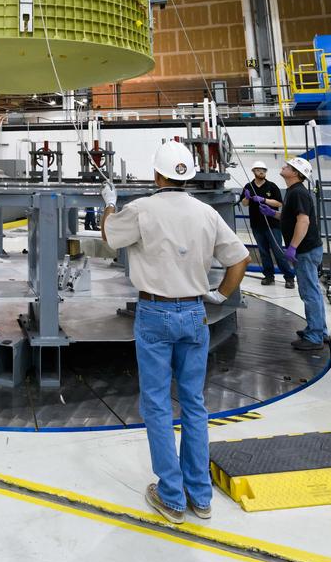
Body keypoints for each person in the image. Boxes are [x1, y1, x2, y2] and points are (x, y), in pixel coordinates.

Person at [100, 140, 249, 525]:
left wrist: (109, 204)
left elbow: (110, 237)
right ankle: (200, 496)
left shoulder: (142, 209)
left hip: (155, 313)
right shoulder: (206, 213)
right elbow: (240, 259)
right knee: (194, 404)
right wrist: (221, 295)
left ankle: (171, 496)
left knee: (156, 404)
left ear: (157, 174)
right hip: (195, 313)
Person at [267, 157, 327, 352]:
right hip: (307, 249)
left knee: (309, 293)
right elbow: (291, 218)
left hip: (305, 250)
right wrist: (273, 213)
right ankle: (319, 330)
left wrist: (292, 247)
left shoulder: (298, 192)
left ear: (296, 173)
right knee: (312, 291)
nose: (283, 167)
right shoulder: (293, 191)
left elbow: (303, 221)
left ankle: (315, 337)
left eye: (288, 166)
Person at [239, 161, 294, 288]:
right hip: (257, 225)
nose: (261, 172)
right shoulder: (248, 186)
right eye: (259, 170)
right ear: (253, 171)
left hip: (272, 225)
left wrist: (264, 200)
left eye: (264, 170)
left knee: (278, 252)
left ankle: (289, 277)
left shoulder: (272, 186)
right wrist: (247, 198)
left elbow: (279, 203)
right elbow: (244, 204)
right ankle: (269, 276)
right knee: (263, 252)